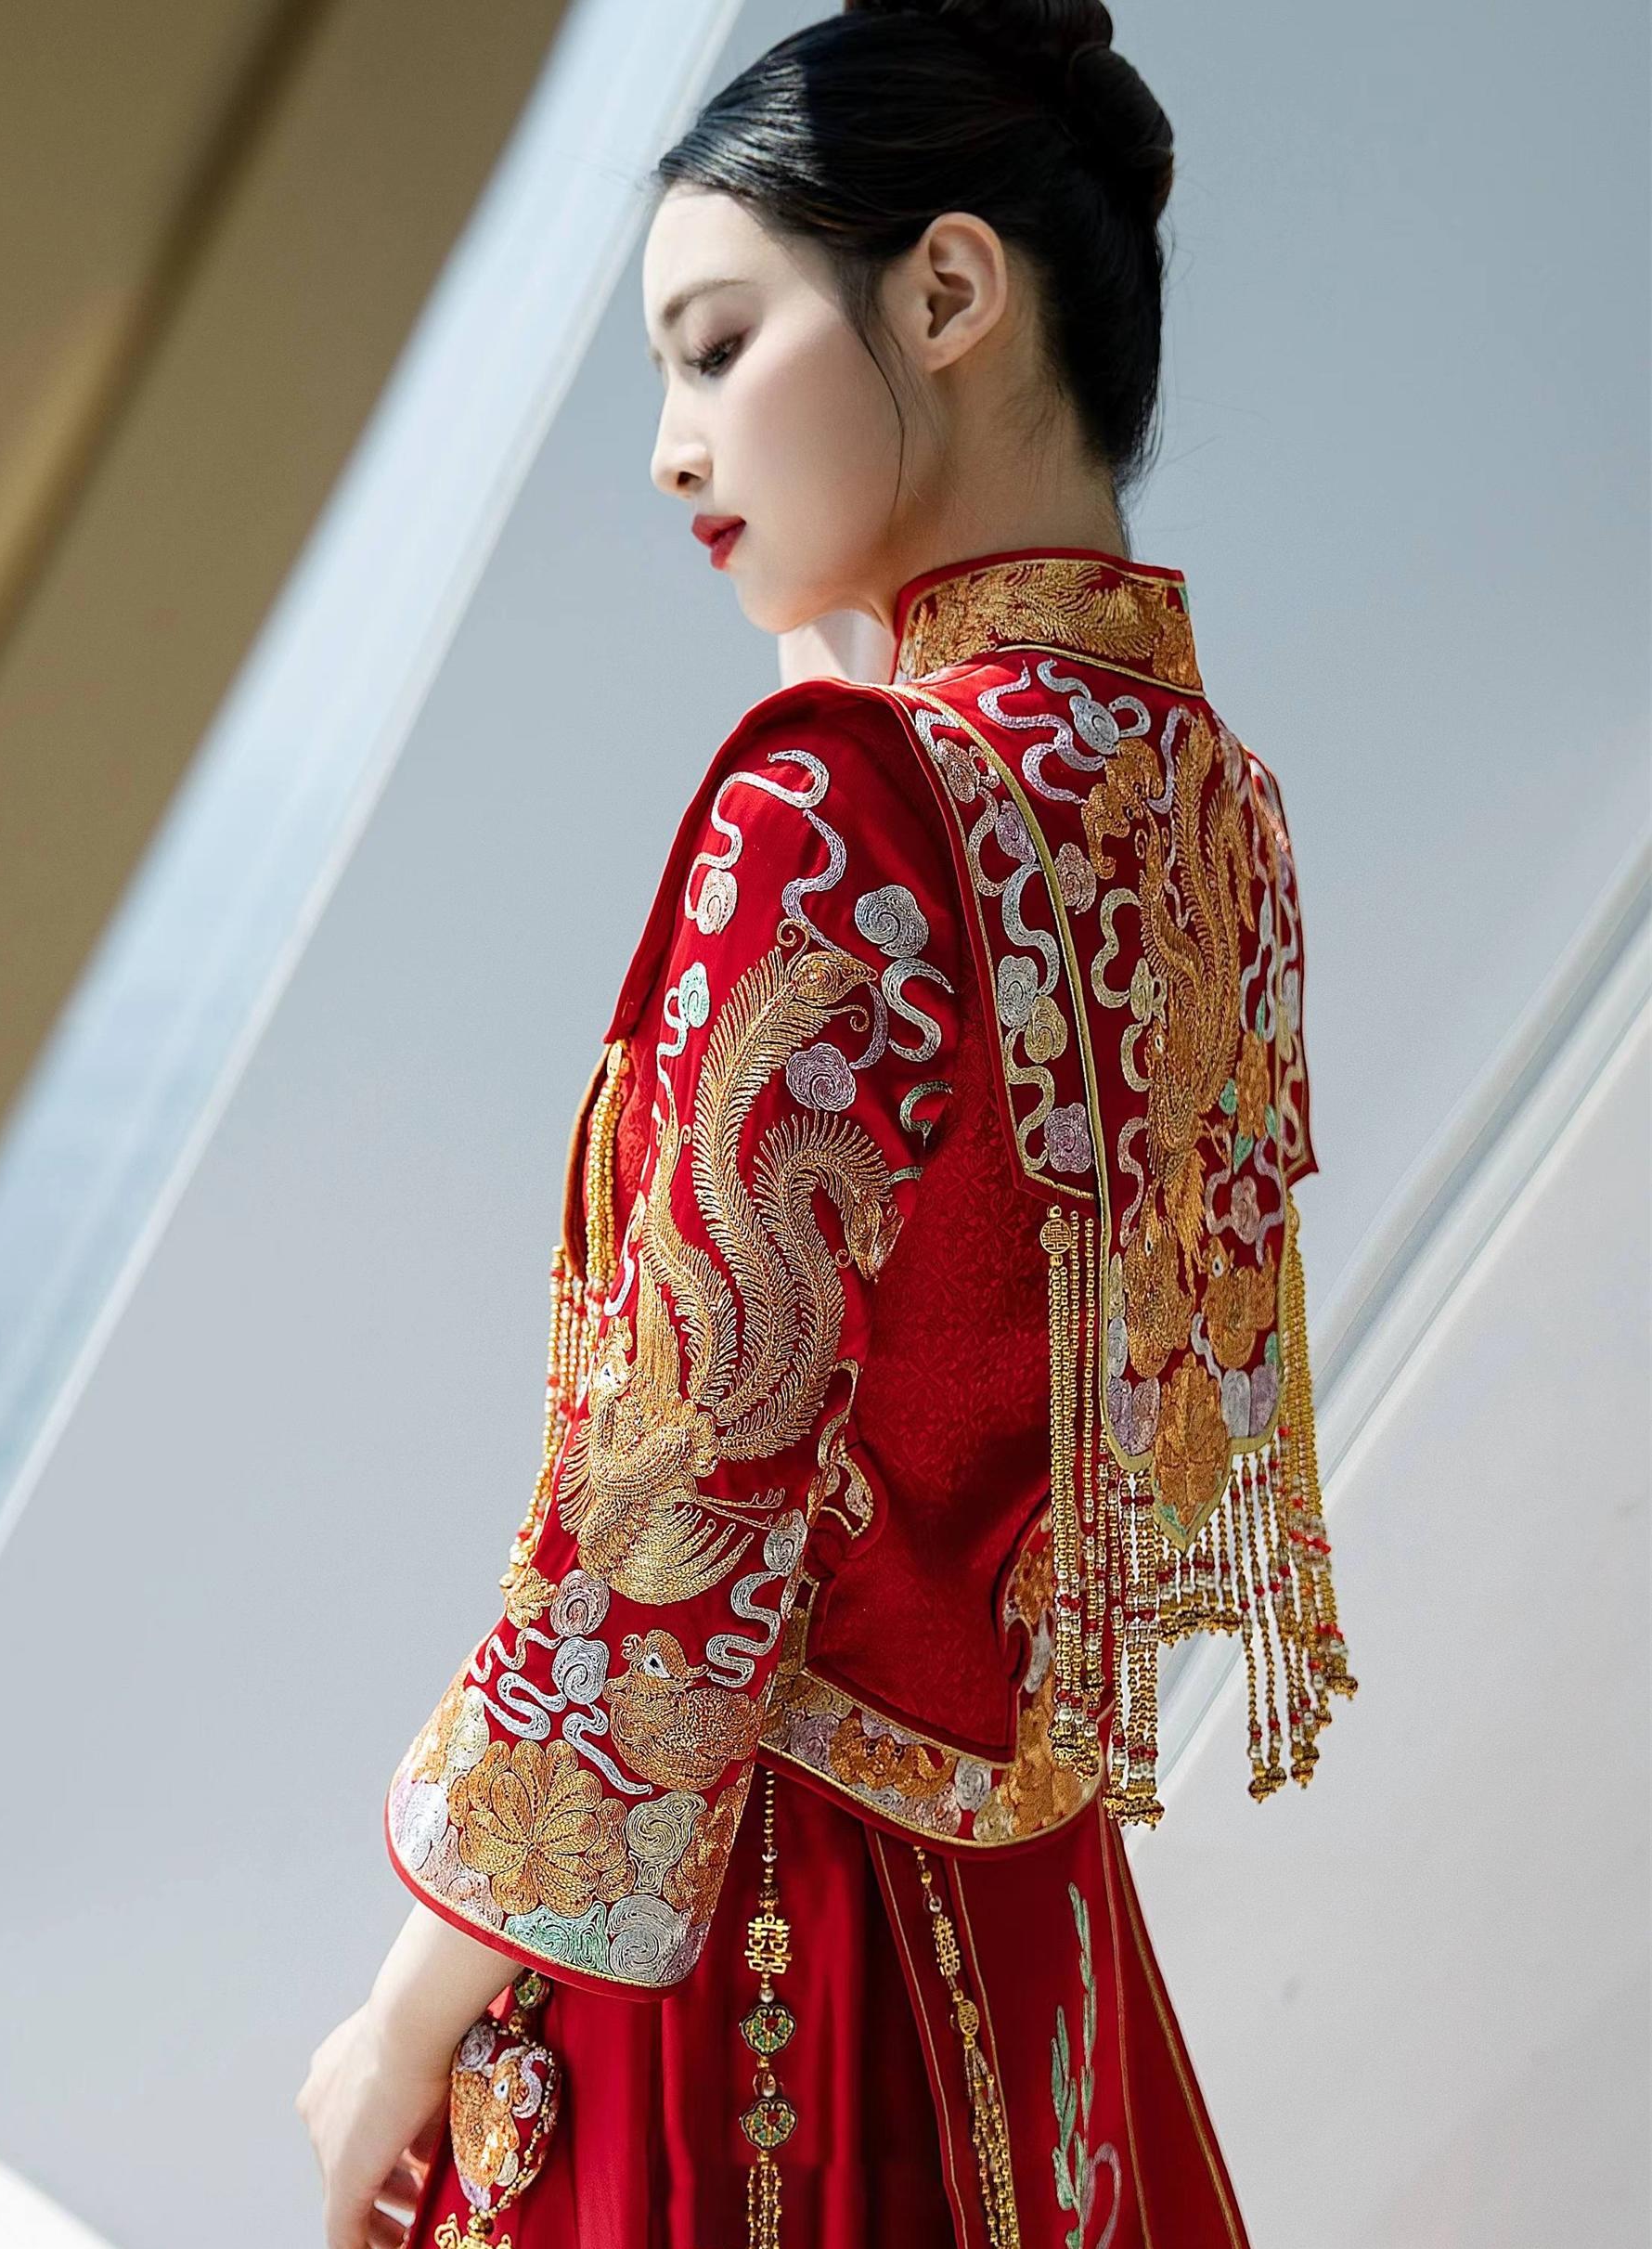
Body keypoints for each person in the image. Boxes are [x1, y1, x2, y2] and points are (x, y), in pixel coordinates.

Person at [296, 5, 1356, 2244]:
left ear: (950, 290)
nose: (672, 448)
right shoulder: (1215, 813)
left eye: (713, 344)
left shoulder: (843, 803)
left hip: (758, 1953)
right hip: (1036, 1941)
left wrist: (402, 2013)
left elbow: (678, 1505)